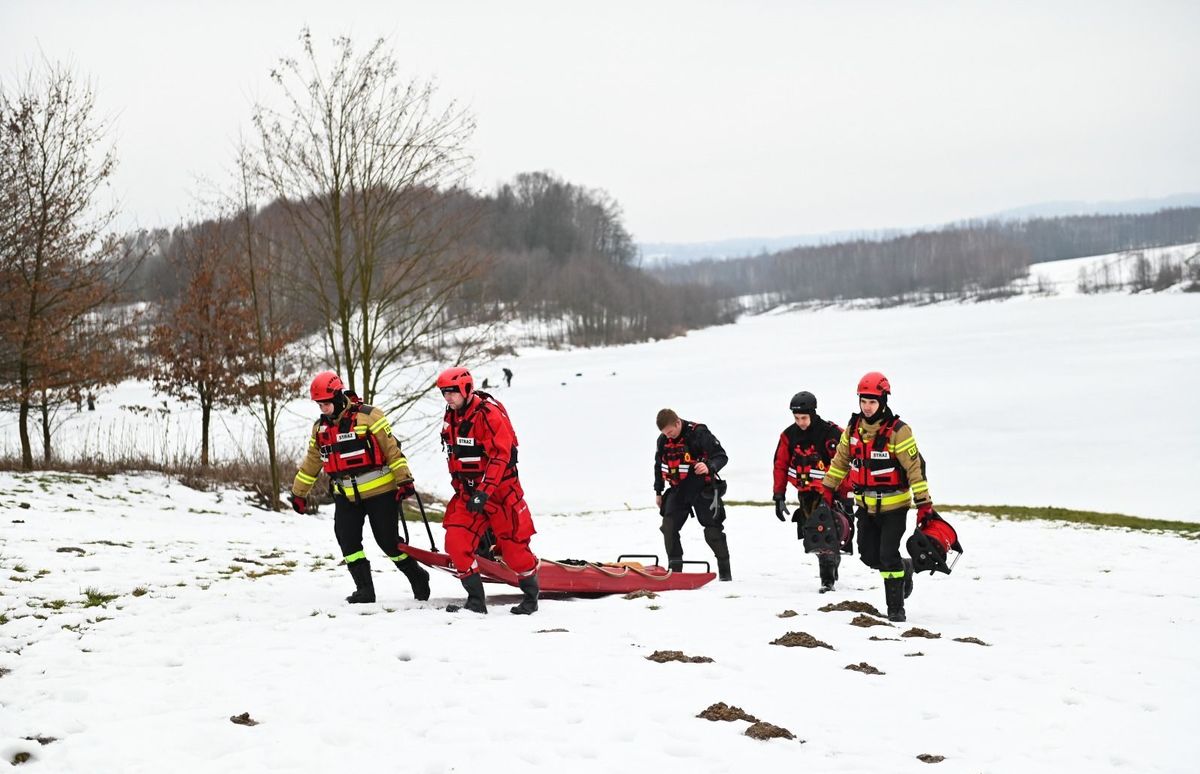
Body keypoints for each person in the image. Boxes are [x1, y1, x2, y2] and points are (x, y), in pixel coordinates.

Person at [289, 370, 430, 604]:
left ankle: (417, 576)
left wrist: (404, 480)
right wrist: (298, 494)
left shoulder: (369, 416)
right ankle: (364, 590)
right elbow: (312, 462)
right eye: (319, 404)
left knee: (388, 542)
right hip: (345, 495)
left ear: (337, 396)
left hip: (381, 493)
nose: (322, 408)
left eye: (325, 403)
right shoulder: (320, 429)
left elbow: (392, 450)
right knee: (347, 540)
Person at [820, 372, 931, 622]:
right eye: (863, 401)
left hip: (895, 507)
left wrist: (924, 504)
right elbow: (840, 461)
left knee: (887, 554)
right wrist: (827, 489)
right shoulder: (853, 429)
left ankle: (896, 610)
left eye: (872, 401)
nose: (867, 407)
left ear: (883, 400)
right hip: (865, 507)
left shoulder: (899, 432)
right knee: (869, 556)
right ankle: (905, 568)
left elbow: (915, 469)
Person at [437, 366, 540, 615]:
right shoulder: (451, 417)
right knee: (455, 542)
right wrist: (466, 489)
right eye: (444, 393)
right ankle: (475, 602)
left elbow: (500, 456)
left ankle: (531, 598)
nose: (448, 398)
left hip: (500, 494)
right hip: (468, 493)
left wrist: (485, 491)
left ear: (466, 389)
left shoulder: (488, 415)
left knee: (515, 552)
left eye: (452, 392)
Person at [771, 391, 852, 593]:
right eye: (797, 418)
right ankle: (831, 566)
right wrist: (778, 495)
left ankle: (827, 581)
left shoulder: (832, 433)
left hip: (834, 493)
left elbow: (848, 463)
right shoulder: (788, 436)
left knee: (826, 533)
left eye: (804, 418)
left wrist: (846, 494)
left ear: (813, 413)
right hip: (807, 495)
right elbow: (780, 465)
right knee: (816, 538)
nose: (801, 422)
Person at [653, 409, 732, 581]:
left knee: (713, 531)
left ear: (678, 423)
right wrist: (658, 492)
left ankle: (725, 572)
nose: (669, 436)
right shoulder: (663, 440)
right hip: (678, 490)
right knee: (669, 527)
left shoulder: (699, 433)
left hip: (702, 489)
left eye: (671, 432)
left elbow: (722, 456)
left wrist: (709, 466)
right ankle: (675, 572)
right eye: (665, 434)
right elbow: (658, 466)